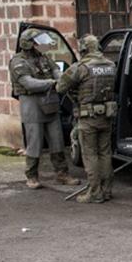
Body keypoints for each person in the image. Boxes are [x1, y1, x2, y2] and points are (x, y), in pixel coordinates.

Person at [9, 28, 79, 189]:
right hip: (32, 104)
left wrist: (62, 80)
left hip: (50, 103)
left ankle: (62, 173)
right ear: (29, 44)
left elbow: (57, 72)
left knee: (57, 140)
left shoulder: (44, 58)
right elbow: (28, 83)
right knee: (34, 142)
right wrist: (52, 83)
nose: (41, 45)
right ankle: (32, 176)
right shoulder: (18, 62)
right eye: (36, 42)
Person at [57, 35, 118, 203]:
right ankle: (106, 191)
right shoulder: (111, 65)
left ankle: (95, 193)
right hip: (106, 116)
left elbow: (60, 87)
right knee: (105, 153)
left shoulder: (80, 68)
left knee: (90, 155)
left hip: (88, 118)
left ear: (84, 49)